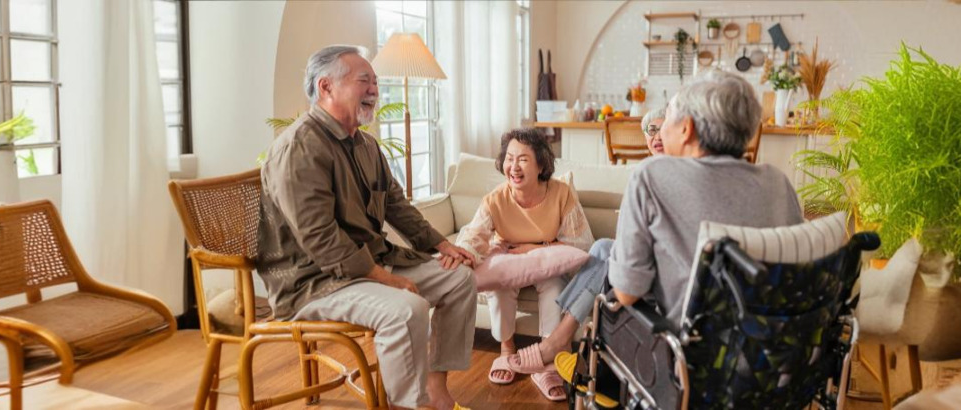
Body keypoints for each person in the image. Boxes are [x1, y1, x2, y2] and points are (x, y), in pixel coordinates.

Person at [506, 69, 804, 371]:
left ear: (686, 128)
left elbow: (626, 291)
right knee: (605, 250)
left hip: (685, 357)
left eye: (668, 118)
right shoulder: (778, 183)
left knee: (608, 262)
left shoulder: (652, 177)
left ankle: (580, 358)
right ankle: (565, 346)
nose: (657, 132)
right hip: (770, 359)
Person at [257, 44, 477, 410]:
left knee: (460, 279)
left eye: (375, 81)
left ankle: (437, 391)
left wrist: (443, 245)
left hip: (365, 269)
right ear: (326, 87)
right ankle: (411, 405)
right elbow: (320, 239)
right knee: (406, 309)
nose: (375, 88)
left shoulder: (366, 145)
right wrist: (386, 278)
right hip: (314, 283)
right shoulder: (299, 148)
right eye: (365, 80)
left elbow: (395, 205)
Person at [451, 128, 593, 402]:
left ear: (541, 164)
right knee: (500, 287)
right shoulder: (495, 198)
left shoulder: (561, 193)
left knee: (554, 285)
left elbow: (583, 243)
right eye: (509, 158)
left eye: (523, 159)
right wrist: (460, 255)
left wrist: (537, 249)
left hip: (548, 259)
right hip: (509, 257)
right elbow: (474, 236)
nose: (513, 167)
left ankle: (547, 360)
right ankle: (506, 350)